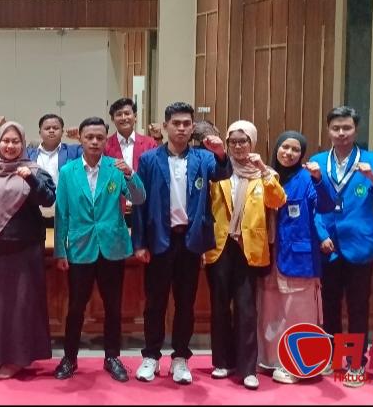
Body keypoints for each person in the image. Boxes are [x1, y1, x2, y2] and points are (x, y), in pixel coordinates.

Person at [133, 102, 231, 385]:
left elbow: (223, 173)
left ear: (192, 127)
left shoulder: (203, 158)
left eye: (187, 124)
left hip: (190, 240)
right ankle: (151, 355)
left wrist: (221, 152)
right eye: (176, 123)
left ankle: (180, 358)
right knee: (155, 303)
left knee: (185, 303)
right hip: (159, 239)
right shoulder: (149, 159)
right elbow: (139, 203)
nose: (181, 128)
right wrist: (139, 243)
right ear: (165, 126)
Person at [308, 106, 373, 387]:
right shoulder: (317, 162)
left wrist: (372, 178)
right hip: (328, 246)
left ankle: (356, 362)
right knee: (329, 306)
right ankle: (333, 357)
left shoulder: (372, 160)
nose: (341, 133)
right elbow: (312, 205)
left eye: (347, 128)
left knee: (358, 308)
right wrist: (321, 235)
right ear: (328, 131)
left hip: (360, 246)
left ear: (356, 130)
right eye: (336, 128)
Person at [52, 117, 144, 382]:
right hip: (80, 248)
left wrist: (131, 174)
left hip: (112, 247)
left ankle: (112, 357)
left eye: (100, 137)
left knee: (113, 307)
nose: (94, 142)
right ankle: (69, 358)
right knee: (76, 307)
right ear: (80, 139)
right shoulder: (68, 171)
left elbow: (139, 198)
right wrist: (60, 251)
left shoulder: (116, 168)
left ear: (106, 140)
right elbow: (62, 214)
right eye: (89, 137)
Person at [204, 120, 286, 390]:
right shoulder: (217, 169)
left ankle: (248, 368)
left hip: (249, 249)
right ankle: (223, 362)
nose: (238, 146)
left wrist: (262, 169)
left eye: (244, 141)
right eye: (233, 142)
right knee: (219, 307)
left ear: (253, 143)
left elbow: (277, 200)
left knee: (246, 309)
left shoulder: (265, 173)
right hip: (219, 247)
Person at [256, 131, 335, 384]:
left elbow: (325, 205)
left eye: (295, 149)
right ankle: (270, 359)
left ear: (302, 154)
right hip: (270, 255)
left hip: (300, 258)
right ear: (276, 148)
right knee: (270, 311)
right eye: (285, 147)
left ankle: (298, 365)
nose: (288, 153)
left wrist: (320, 179)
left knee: (298, 313)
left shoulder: (308, 178)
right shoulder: (266, 175)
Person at [26, 114, 82, 227]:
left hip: (66, 213)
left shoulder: (74, 151)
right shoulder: (28, 154)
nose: (51, 130)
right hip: (33, 214)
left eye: (55, 128)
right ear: (40, 132)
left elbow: (94, 155)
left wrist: (80, 138)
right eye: (47, 128)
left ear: (62, 131)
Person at [104, 98, 159, 173]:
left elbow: (156, 171)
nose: (123, 118)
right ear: (112, 119)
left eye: (127, 113)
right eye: (119, 114)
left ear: (135, 116)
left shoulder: (150, 143)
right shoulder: (105, 145)